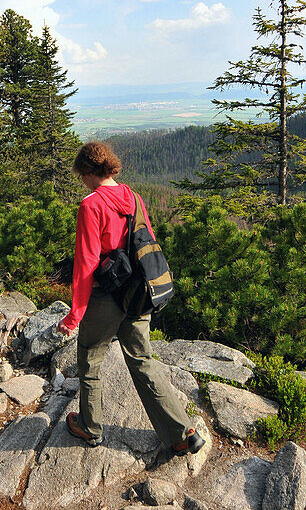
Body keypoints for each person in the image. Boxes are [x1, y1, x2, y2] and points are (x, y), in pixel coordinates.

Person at [56, 141, 205, 455]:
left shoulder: (91, 205)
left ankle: (89, 427)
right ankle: (182, 432)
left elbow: (86, 263)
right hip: (138, 294)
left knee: (91, 359)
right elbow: (145, 241)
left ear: (87, 171)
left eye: (81, 174)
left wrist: (75, 315)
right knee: (143, 361)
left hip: (105, 298)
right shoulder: (133, 197)